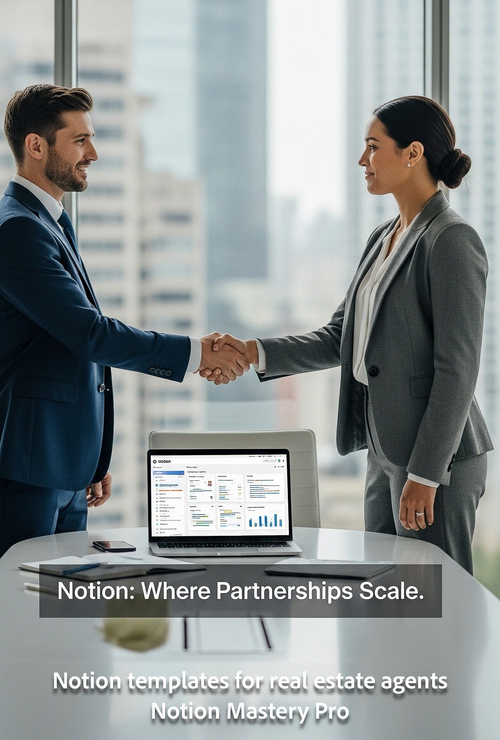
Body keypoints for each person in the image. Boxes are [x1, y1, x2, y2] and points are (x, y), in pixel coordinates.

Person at [202, 95, 493, 573]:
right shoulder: (384, 237)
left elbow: (457, 370)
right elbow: (341, 336)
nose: (363, 160)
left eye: (373, 147)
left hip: (434, 459)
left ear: (413, 153)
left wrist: (426, 473)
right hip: (384, 450)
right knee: (384, 592)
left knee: (434, 604)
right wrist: (252, 351)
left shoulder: (451, 240)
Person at [0, 83, 249, 556]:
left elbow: (60, 348)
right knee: (17, 613)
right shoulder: (17, 230)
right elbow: (90, 334)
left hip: (63, 465)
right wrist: (197, 354)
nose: (93, 152)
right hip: (29, 469)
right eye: (79, 140)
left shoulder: (48, 222)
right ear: (36, 146)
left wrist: (90, 455)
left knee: (60, 611)